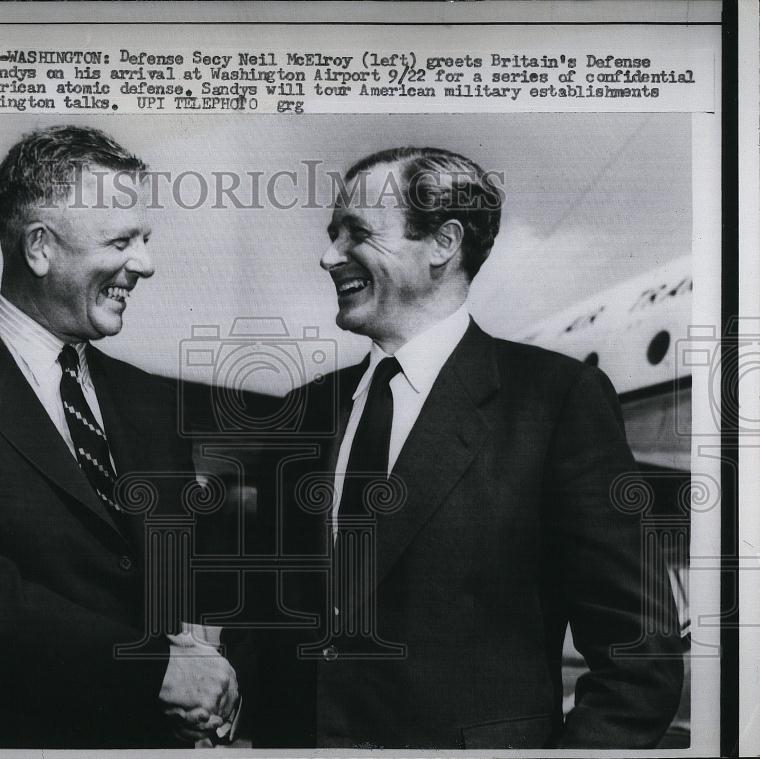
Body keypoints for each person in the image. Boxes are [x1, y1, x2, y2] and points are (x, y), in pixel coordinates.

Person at [252, 146, 684, 749]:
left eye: (356, 233)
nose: (328, 256)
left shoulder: (556, 402)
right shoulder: (301, 414)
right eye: (331, 234)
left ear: (443, 243)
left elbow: (639, 659)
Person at [0, 125, 239, 748]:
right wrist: (153, 666)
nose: (146, 264)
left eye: (147, 239)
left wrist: (206, 668)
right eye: (122, 240)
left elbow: (173, 584)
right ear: (39, 248)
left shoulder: (149, 400)